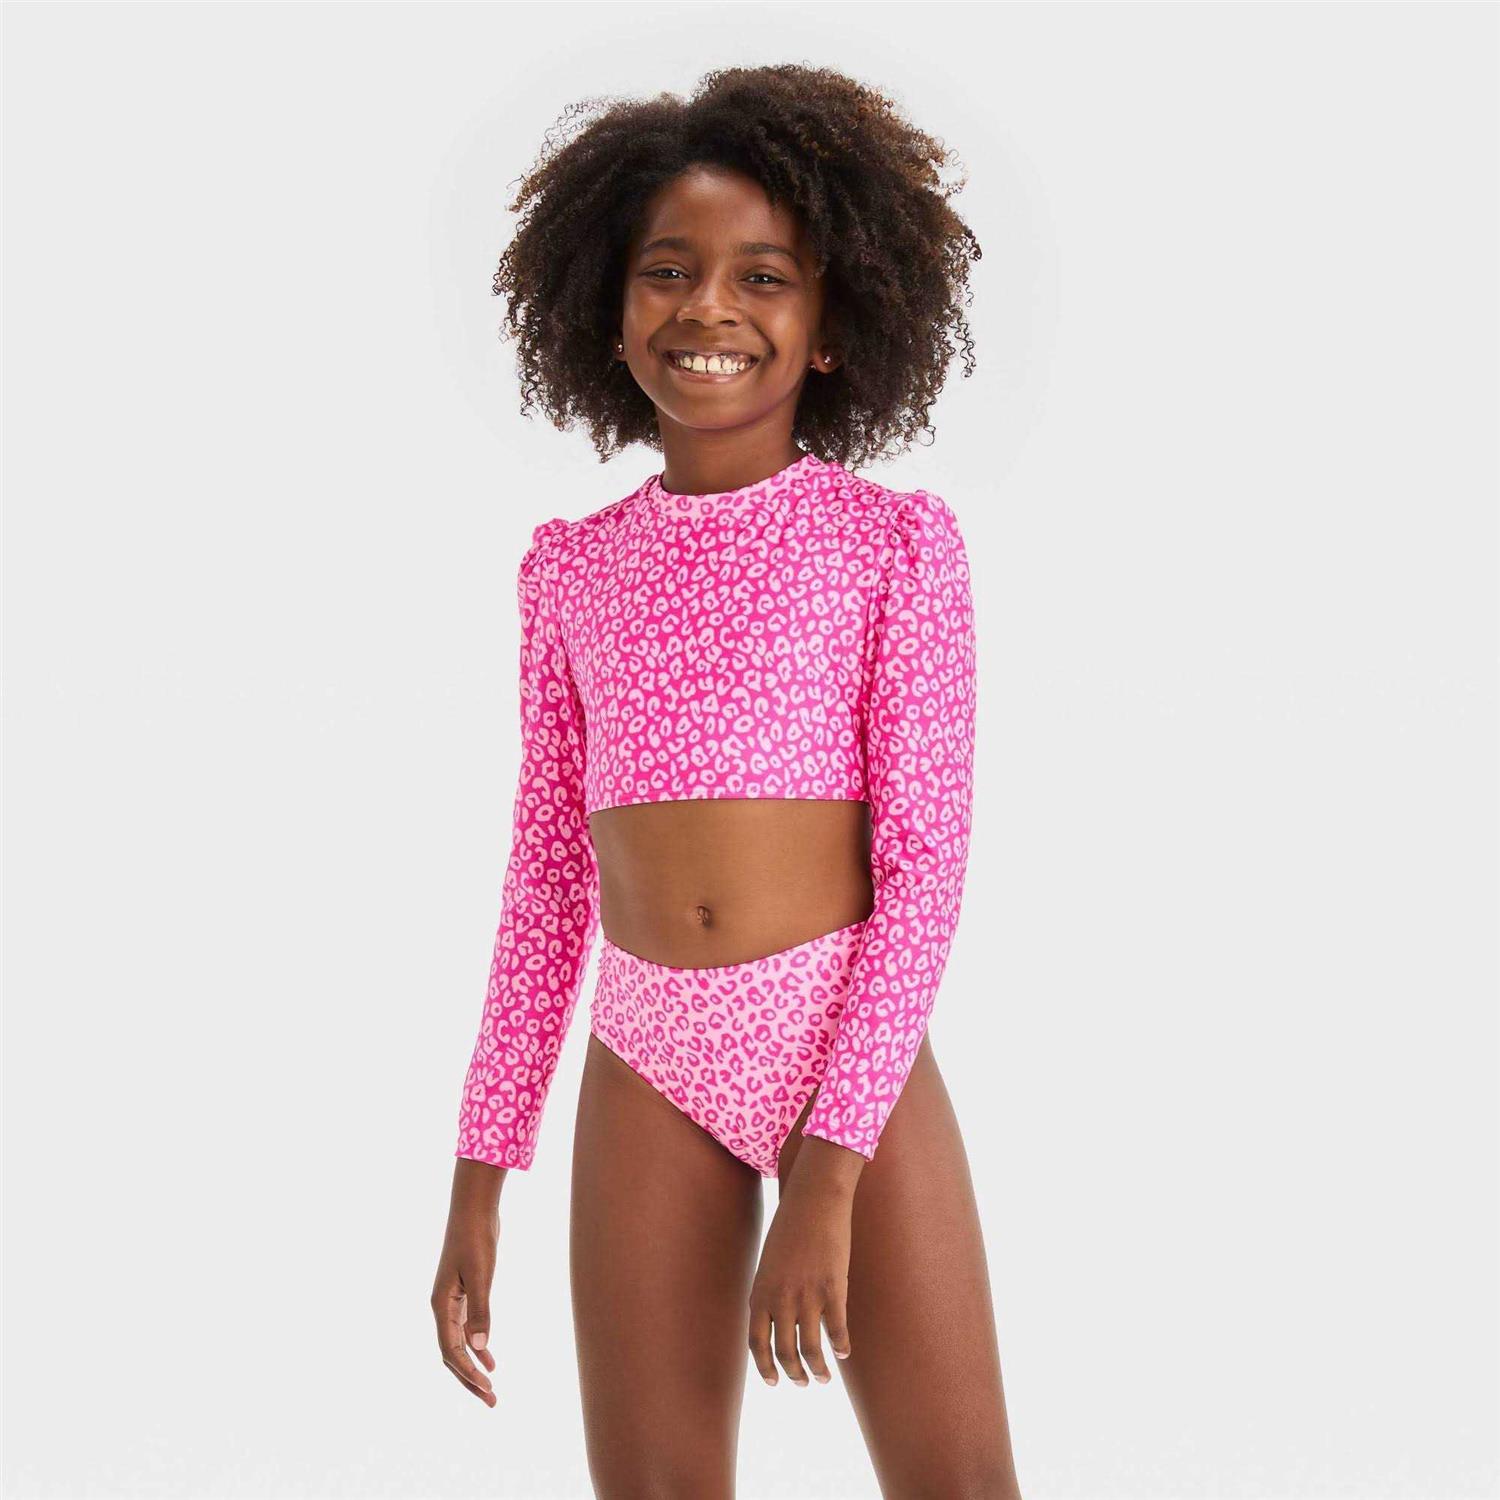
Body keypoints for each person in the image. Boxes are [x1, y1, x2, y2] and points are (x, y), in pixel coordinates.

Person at [431, 61, 1024, 1500]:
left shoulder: (893, 546)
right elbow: (548, 878)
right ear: (608, 306)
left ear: (832, 328)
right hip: (646, 1058)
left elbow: (924, 870)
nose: (709, 308)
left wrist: (831, 1172)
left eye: (764, 276)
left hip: (844, 1060)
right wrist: (480, 1171)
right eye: (668, 271)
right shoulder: (571, 569)